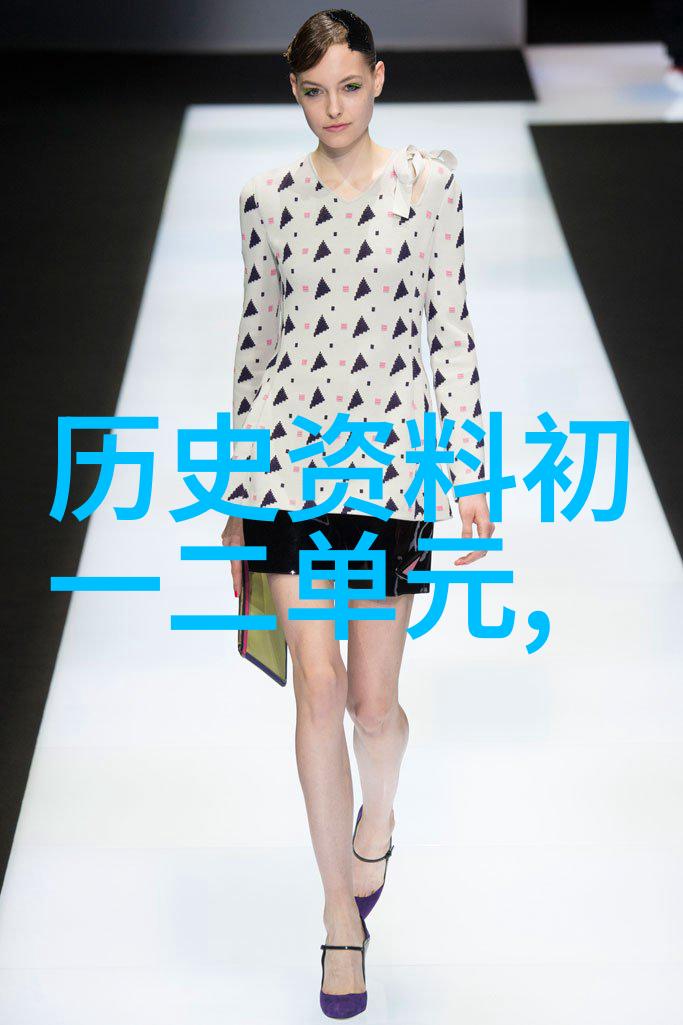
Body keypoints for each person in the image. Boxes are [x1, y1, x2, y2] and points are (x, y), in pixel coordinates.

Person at [221, 8, 493, 1018]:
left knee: (373, 706)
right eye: (311, 91)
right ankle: (339, 913)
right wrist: (237, 502)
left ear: (378, 77)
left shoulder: (429, 184)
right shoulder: (265, 199)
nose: (331, 108)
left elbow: (449, 329)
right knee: (318, 687)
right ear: (293, 92)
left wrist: (467, 466)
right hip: (290, 468)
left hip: (386, 471)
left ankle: (377, 818)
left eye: (346, 85)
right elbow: (254, 351)